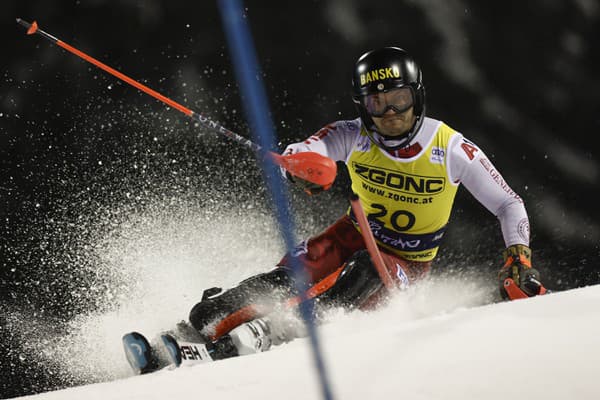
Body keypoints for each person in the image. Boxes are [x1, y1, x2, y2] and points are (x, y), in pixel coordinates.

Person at [184, 46, 547, 359]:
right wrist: (299, 167)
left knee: (365, 271)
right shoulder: (352, 133)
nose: (390, 113)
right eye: (377, 102)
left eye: (399, 99)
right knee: (282, 280)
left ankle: (279, 332)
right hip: (349, 236)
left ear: (416, 96)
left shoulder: (450, 148)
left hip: (405, 262)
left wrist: (519, 256)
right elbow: (308, 149)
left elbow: (508, 203)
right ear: (363, 105)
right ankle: (205, 321)